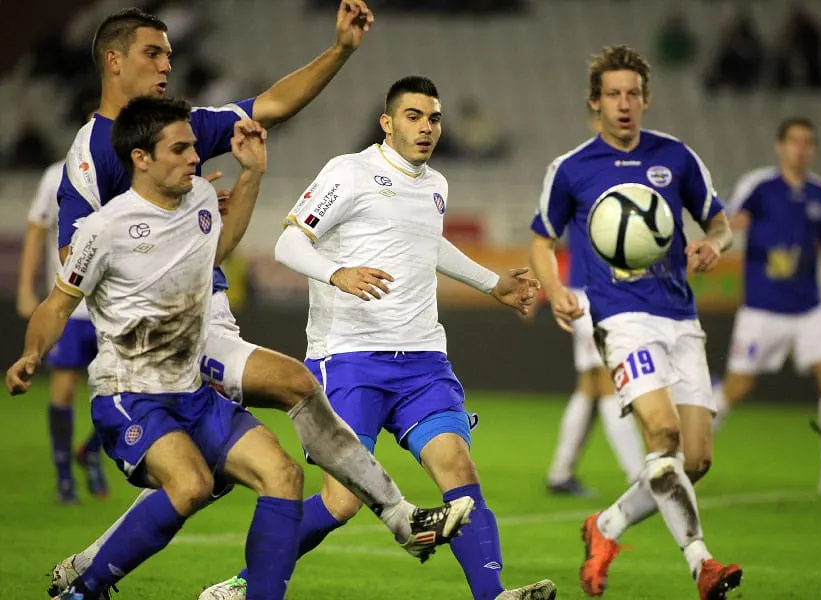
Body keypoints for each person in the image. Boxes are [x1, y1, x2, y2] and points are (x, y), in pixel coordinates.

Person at [48, 6, 474, 597]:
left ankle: (89, 572)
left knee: (219, 480)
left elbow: (270, 106)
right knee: (280, 401)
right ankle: (401, 517)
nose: (168, 63)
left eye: (171, 53)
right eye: (154, 53)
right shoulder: (94, 155)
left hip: (210, 321)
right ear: (114, 60)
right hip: (157, 339)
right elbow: (76, 263)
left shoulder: (185, 128)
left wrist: (341, 50)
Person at [200, 75, 556, 600]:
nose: (426, 127)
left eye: (434, 118)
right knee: (341, 503)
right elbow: (289, 244)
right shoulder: (350, 172)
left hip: (422, 360)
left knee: (457, 466)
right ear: (388, 123)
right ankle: (244, 583)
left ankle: (493, 595)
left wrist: (493, 283)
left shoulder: (436, 185)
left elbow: (429, 247)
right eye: (413, 116)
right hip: (349, 359)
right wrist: (337, 272)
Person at [7, 96, 306, 599]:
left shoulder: (201, 201)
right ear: (141, 158)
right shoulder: (104, 228)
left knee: (283, 475)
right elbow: (59, 303)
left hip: (194, 391)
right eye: (182, 148)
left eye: (194, 147)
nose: (196, 157)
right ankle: (85, 589)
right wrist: (32, 354)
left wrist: (251, 176)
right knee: (190, 485)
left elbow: (221, 248)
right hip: (130, 393)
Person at [528, 46, 743, 598]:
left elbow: (719, 224)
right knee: (663, 434)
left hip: (681, 318)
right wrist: (554, 291)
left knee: (694, 461)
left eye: (632, 94)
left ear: (645, 99)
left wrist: (713, 245)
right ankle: (703, 564)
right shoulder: (572, 168)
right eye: (612, 95)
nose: (623, 104)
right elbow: (540, 241)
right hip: (621, 318)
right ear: (595, 103)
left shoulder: (676, 157)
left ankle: (606, 526)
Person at [712, 117, 821, 497]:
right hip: (763, 308)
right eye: (794, 141)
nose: (801, 148)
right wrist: (733, 231)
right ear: (779, 146)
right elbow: (727, 224)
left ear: (812, 149)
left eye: (807, 142)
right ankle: (687, 454)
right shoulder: (759, 186)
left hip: (809, 306)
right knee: (738, 386)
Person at [16, 158, 108, 504]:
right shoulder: (56, 174)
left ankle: (90, 450)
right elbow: (36, 228)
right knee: (64, 388)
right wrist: (26, 288)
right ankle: (65, 478)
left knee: (132, 389)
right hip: (70, 306)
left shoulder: (131, 169)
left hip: (114, 305)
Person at [543, 226, 645, 496]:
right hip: (596, 295)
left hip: (589, 292)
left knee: (589, 385)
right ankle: (639, 476)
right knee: (609, 381)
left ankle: (560, 474)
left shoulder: (574, 185)